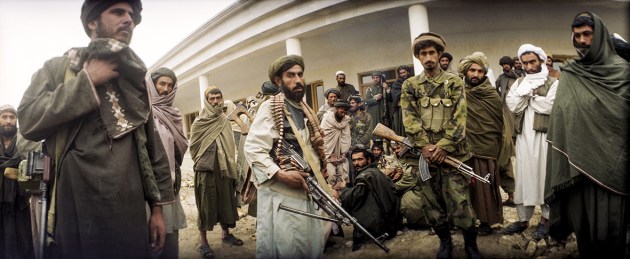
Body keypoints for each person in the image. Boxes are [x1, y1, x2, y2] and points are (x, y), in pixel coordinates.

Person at [17, 1, 174, 257]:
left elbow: (151, 148)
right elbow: (28, 119)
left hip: (129, 213)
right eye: (117, 12)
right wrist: (86, 81)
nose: (128, 20)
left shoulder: (135, 77)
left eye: (131, 15)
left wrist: (157, 210)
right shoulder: (60, 68)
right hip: (77, 210)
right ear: (92, 22)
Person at [545, 12, 630, 258]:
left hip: (613, 171)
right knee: (586, 235)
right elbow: (561, 117)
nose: (581, 40)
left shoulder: (623, 72)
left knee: (612, 232)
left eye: (587, 34)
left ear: (600, 35)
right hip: (578, 171)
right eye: (577, 35)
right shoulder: (571, 74)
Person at [400, 32, 480, 259]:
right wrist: (425, 147)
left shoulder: (454, 82)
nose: (428, 58)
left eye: (432, 53)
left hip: (453, 154)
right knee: (432, 205)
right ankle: (445, 243)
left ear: (440, 55)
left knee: (460, 202)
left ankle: (471, 245)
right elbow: (410, 119)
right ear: (418, 57)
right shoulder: (410, 85)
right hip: (425, 157)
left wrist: (443, 146)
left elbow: (460, 118)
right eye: (423, 53)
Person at [244, 55, 328, 258]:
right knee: (290, 247)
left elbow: (309, 147)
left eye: (300, 74)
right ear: (278, 81)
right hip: (284, 196)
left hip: (307, 191)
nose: (298, 80)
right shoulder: (270, 108)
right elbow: (253, 149)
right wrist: (281, 174)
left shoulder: (304, 108)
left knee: (310, 246)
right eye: (290, 75)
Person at [502, 44, 558, 241]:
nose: (529, 66)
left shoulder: (553, 81)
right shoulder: (519, 82)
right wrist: (528, 96)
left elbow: (550, 106)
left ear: (541, 61)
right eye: (525, 63)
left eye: (532, 61)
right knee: (524, 176)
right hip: (524, 137)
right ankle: (523, 219)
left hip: (544, 137)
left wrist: (528, 96)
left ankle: (545, 219)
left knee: (544, 177)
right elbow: (513, 105)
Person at [190, 86, 243, 258]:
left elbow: (230, 145)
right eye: (211, 98)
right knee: (206, 204)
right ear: (206, 100)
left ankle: (225, 234)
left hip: (224, 168)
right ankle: (203, 241)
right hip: (206, 171)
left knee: (225, 201)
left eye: (218, 98)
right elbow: (194, 147)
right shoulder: (199, 122)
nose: (215, 102)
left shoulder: (224, 120)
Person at [458, 53, 506, 236]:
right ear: (466, 71)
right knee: (464, 186)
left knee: (484, 185)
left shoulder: (491, 94)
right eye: (472, 70)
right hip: (462, 148)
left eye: (480, 70)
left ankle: (486, 221)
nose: (476, 74)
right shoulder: (458, 92)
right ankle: (464, 220)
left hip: (486, 148)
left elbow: (497, 124)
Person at [147, 68, 188, 258]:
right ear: (152, 85)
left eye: (170, 85)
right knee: (151, 240)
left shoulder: (174, 114)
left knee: (170, 241)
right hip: (148, 190)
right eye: (161, 84)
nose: (166, 89)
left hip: (171, 186)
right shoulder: (141, 113)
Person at [339, 148, 400, 251]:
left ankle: (361, 234)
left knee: (352, 203)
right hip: (392, 221)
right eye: (354, 160)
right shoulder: (375, 171)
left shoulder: (365, 175)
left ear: (369, 160)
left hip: (382, 225)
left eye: (360, 159)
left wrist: (343, 189)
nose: (356, 163)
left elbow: (354, 197)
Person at [0, 105, 35, 259]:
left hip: (20, 203)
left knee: (23, 245)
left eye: (12, 117)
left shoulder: (25, 140)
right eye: (4, 117)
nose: (8, 121)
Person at [390, 141, 428, 229]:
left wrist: (388, 179)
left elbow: (395, 187)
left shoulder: (410, 170)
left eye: (398, 148)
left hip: (421, 200)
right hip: (423, 194)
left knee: (397, 197)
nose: (396, 151)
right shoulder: (413, 161)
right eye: (394, 149)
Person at [320, 100, 351, 189]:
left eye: (345, 111)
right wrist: (330, 155)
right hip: (328, 155)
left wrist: (343, 154)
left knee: (342, 179)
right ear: (336, 109)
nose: (343, 113)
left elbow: (346, 138)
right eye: (342, 110)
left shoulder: (346, 121)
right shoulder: (327, 119)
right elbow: (324, 139)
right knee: (331, 177)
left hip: (341, 155)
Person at [390, 65, 411, 136]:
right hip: (401, 109)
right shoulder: (396, 84)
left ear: (408, 72)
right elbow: (394, 95)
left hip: (412, 108)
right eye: (401, 73)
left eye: (404, 72)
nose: (403, 74)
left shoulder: (413, 81)